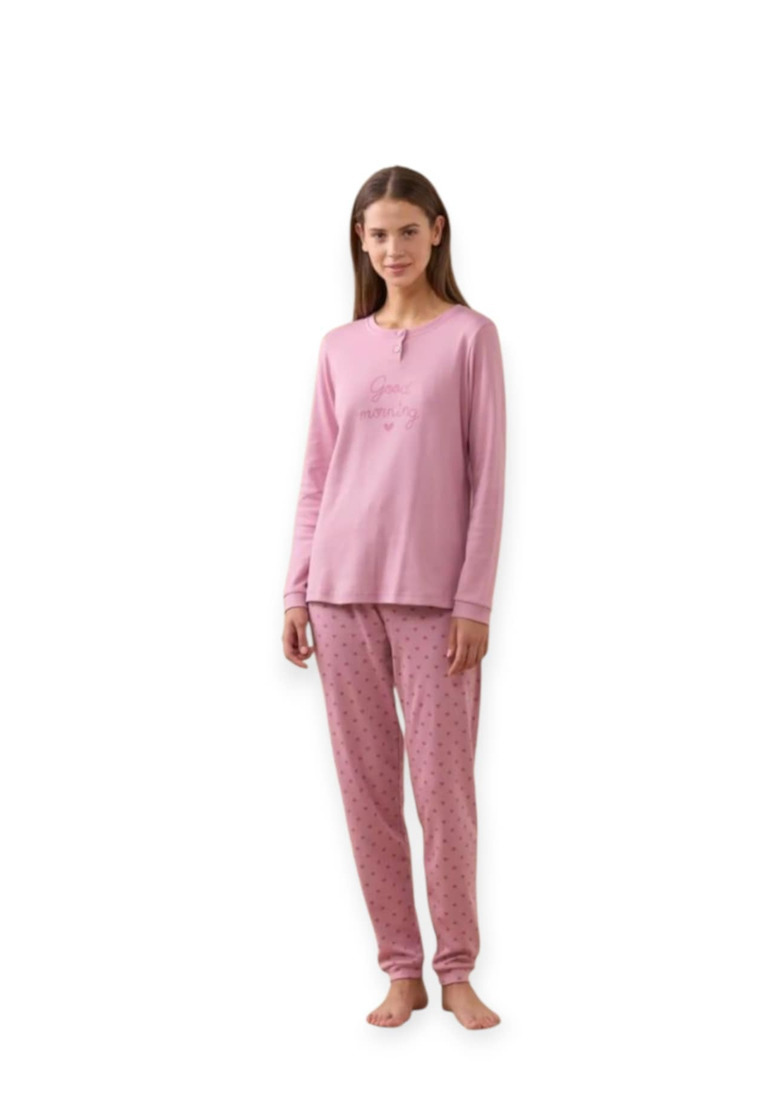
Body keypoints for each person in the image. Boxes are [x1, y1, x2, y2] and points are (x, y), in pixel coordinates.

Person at [281, 166, 507, 1031]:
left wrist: (474, 602)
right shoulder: (339, 347)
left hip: (432, 601)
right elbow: (316, 477)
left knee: (444, 792)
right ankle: (401, 970)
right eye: (377, 235)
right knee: (366, 790)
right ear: (361, 242)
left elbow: (487, 480)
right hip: (338, 595)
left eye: (407, 231)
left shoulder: (471, 338)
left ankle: (457, 970)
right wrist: (296, 588)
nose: (392, 248)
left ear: (437, 231)